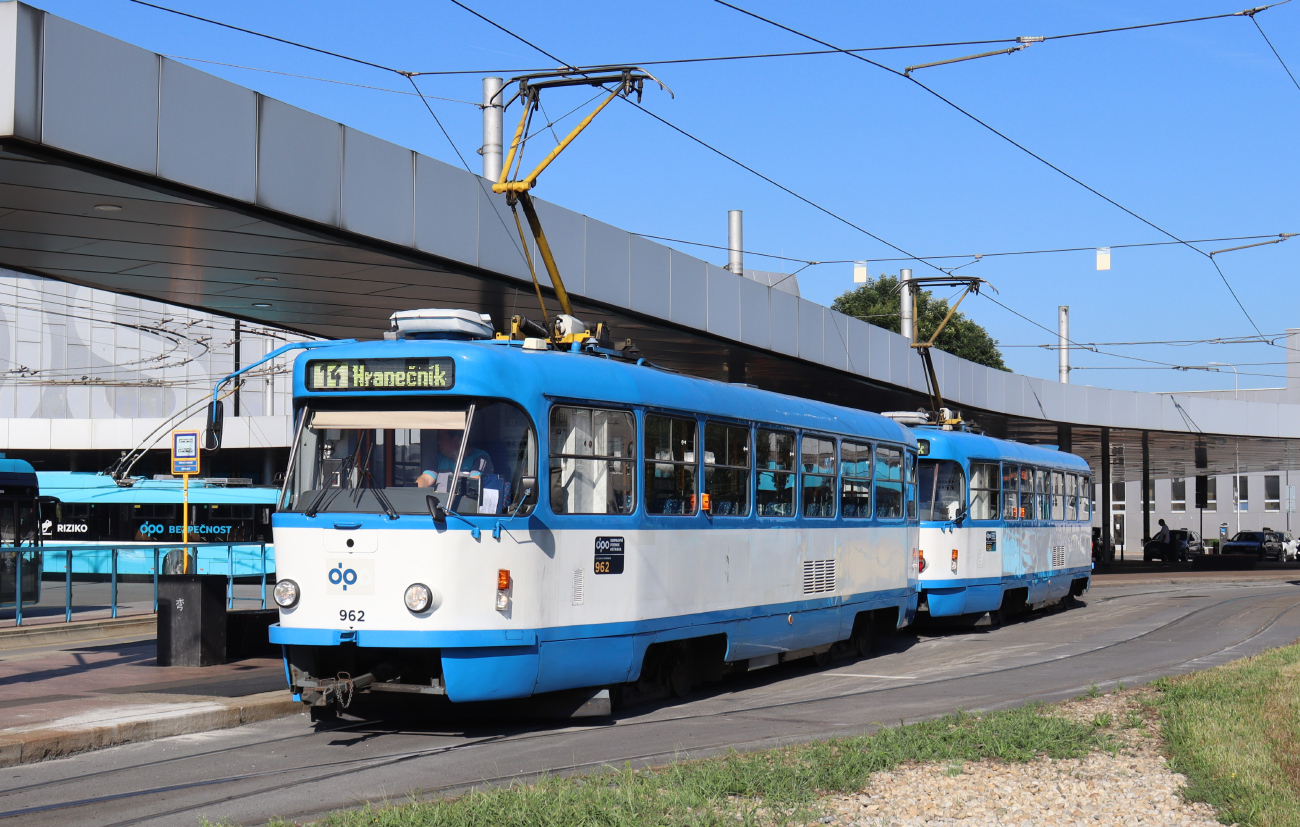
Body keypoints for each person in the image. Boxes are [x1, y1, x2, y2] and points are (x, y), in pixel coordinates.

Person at [415, 429, 492, 489]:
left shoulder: (480, 457)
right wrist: (413, 492)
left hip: (462, 506)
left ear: (455, 440)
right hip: (437, 505)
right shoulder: (439, 458)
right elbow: (426, 479)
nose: (438, 442)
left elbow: (474, 483)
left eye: (442, 438)